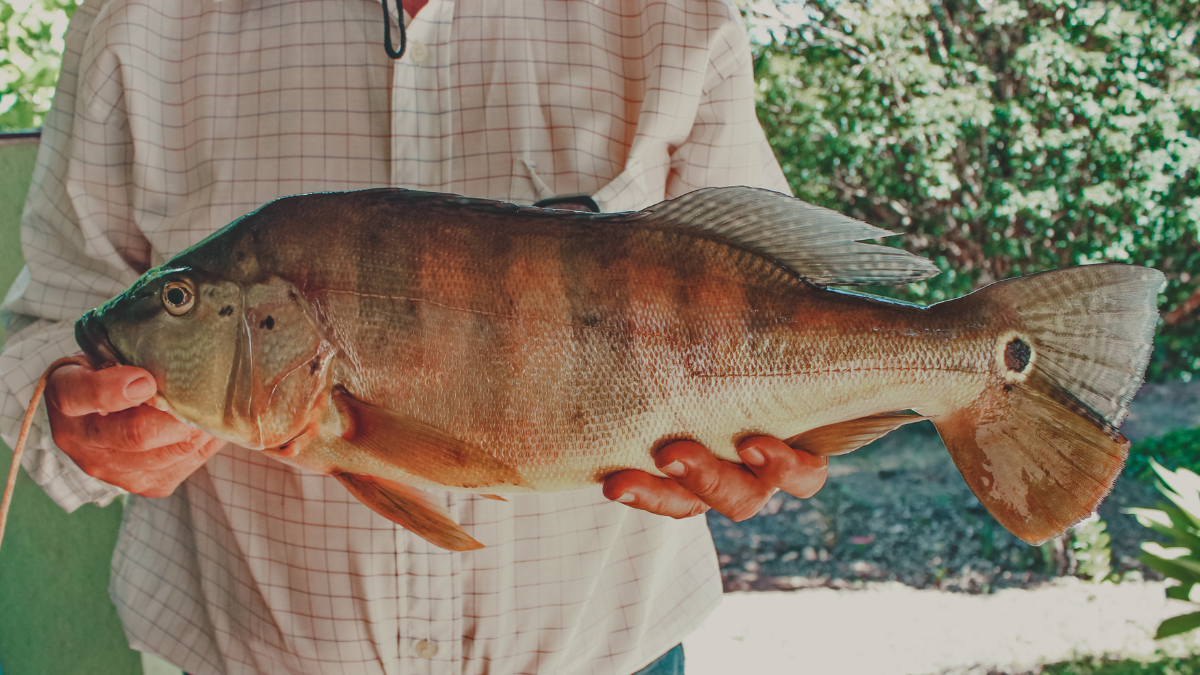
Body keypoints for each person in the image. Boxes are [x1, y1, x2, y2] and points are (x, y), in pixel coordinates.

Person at [0, 0, 828, 672]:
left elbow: (790, 306)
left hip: (611, 655)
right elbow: (50, 337)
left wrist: (794, 436)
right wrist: (75, 418)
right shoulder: (137, 24)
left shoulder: (674, 18)